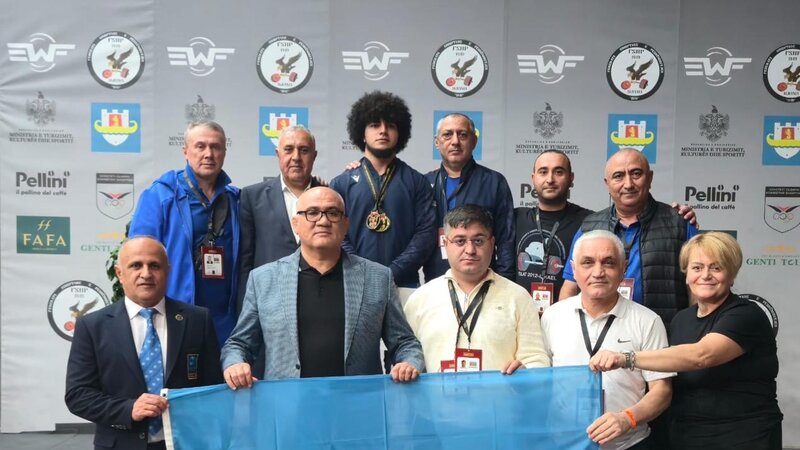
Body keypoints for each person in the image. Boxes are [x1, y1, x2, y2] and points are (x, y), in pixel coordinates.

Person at [590, 232, 782, 450]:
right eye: (697, 268)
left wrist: (625, 358)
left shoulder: (746, 315)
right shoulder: (682, 319)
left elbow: (702, 356)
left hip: (744, 437)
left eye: (716, 268)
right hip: (688, 437)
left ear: (731, 275)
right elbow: (667, 374)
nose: (705, 275)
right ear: (686, 274)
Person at [222, 187, 424, 387]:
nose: (323, 221)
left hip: (358, 402)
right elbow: (238, 344)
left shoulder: (378, 278)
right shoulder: (263, 279)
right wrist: (235, 364)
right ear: (296, 224)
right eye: (312, 213)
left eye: (333, 213)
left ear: (346, 224)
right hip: (287, 402)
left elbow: (405, 343)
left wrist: (409, 362)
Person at [65, 237, 223, 450]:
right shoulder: (92, 326)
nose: (146, 274)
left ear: (167, 271)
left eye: (154, 265)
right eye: (136, 265)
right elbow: (78, 396)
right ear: (120, 273)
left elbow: (213, 388)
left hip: (186, 444)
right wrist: (128, 409)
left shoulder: (198, 320)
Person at [541, 230, 673, 449]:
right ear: (573, 269)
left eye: (608, 263)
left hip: (628, 444)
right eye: (588, 262)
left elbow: (662, 391)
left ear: (623, 268)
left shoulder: (648, 321)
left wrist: (627, 418)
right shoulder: (552, 316)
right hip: (563, 443)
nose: (598, 272)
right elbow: (540, 380)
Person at [560, 148, 699, 328]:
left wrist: (691, 334)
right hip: (600, 335)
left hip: (664, 336)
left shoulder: (680, 224)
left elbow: (697, 290)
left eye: (636, 174)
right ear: (607, 183)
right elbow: (570, 287)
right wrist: (564, 328)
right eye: (618, 176)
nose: (628, 184)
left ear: (650, 178)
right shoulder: (589, 227)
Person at [129, 120, 239, 347]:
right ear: (186, 151)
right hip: (175, 318)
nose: (208, 154)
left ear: (224, 153)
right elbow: (138, 259)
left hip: (226, 322)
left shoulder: (236, 199)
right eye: (200, 146)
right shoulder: (160, 196)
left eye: (215, 147)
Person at [405, 205, 549, 373]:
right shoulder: (421, 299)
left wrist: (526, 372)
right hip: (437, 391)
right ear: (445, 244)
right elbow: (407, 356)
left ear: (492, 244)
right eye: (460, 241)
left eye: (478, 241)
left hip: (500, 391)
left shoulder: (518, 297)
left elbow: (536, 359)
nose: (470, 250)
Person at [329, 91, 436, 299]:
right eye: (375, 125)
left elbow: (425, 235)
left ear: (400, 133)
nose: (383, 131)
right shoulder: (341, 183)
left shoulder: (417, 182)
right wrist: (361, 271)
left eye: (391, 126)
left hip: (404, 285)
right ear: (362, 133)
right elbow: (336, 233)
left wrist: (392, 273)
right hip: (354, 284)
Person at [423, 113, 515, 282]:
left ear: (474, 141)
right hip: (436, 281)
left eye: (463, 135)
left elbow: (506, 240)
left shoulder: (494, 182)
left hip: (483, 282)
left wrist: (504, 283)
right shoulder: (424, 184)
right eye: (447, 134)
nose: (455, 141)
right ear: (437, 142)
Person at [237, 125, 322, 308]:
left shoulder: (329, 196)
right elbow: (245, 261)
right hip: (268, 302)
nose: (296, 157)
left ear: (314, 156)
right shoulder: (252, 197)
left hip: (320, 300)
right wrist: (245, 309)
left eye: (304, 150)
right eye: (288, 149)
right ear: (278, 154)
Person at [514, 150, 592, 303]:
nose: (550, 179)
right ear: (533, 178)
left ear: (571, 178)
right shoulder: (514, 218)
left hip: (568, 313)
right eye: (543, 172)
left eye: (558, 172)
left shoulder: (589, 222)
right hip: (520, 313)